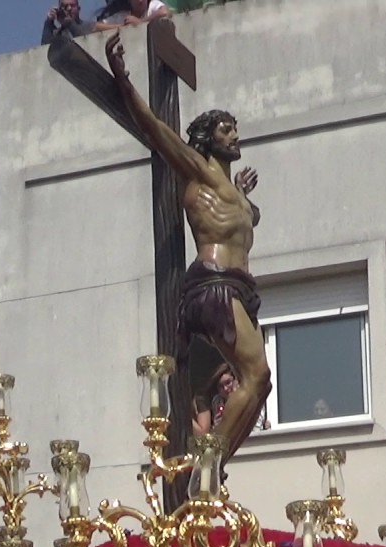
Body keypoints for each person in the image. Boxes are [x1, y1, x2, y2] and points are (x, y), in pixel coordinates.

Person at [106, 33, 270, 475]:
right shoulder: (198, 172)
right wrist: (123, 79)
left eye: (234, 128)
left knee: (261, 384)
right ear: (206, 139)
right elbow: (156, 130)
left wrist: (243, 198)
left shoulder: (233, 194)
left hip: (238, 291)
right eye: (224, 129)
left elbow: (244, 224)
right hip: (213, 287)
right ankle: (206, 464)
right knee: (255, 375)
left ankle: (212, 466)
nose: (235, 135)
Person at [193, 364, 269, 434]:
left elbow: (256, 428)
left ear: (236, 380)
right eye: (221, 386)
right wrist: (219, 424)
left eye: (228, 382)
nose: (225, 388)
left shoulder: (250, 396)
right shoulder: (218, 401)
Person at [97, 0, 171, 29]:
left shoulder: (152, 6)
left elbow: (165, 12)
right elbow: (97, 26)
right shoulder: (123, 15)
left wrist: (140, 22)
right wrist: (123, 27)